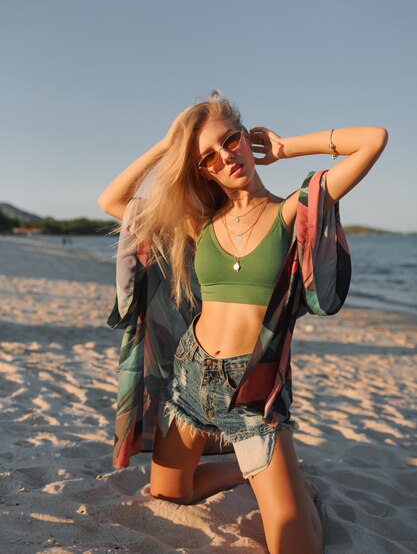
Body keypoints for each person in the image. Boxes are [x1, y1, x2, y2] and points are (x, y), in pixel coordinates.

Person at [98, 91, 387, 554]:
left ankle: (295, 485)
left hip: (253, 393)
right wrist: (168, 143)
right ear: (200, 171)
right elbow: (112, 200)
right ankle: (246, 469)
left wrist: (284, 148)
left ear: (244, 135)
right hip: (190, 382)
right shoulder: (200, 221)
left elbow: (373, 140)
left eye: (229, 141)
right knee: (171, 492)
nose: (224, 157)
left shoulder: (290, 211)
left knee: (297, 547)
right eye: (207, 159)